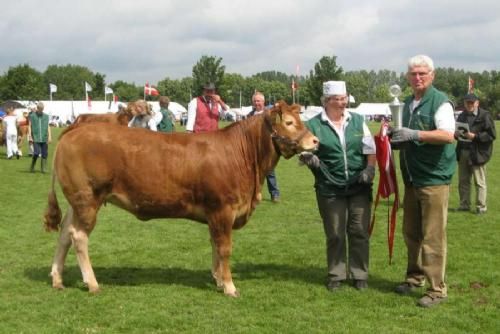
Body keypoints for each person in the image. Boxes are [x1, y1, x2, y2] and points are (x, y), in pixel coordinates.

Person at [390, 55, 456, 308]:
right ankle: (414, 277)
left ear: (432, 75)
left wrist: (415, 134)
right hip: (412, 178)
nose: (417, 78)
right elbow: (406, 135)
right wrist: (394, 138)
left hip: (433, 179)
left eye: (422, 73)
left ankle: (437, 289)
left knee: (433, 236)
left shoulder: (440, 103)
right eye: (413, 74)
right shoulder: (407, 103)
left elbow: (447, 135)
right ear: (407, 77)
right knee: (412, 233)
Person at [299, 81, 376, 291]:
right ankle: (336, 274)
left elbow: (370, 149)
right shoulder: (314, 124)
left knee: (359, 231)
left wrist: (370, 170)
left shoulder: (358, 120)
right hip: (329, 187)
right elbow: (305, 148)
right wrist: (309, 159)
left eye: (344, 99)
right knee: (335, 233)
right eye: (337, 100)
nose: (342, 103)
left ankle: (360, 274)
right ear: (326, 101)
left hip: (358, 185)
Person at [454, 93, 496, 214]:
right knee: (463, 181)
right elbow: (459, 132)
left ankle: (481, 207)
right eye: (467, 102)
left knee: (480, 182)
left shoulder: (485, 115)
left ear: (477, 103)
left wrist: (476, 136)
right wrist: (455, 135)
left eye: (472, 102)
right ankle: (464, 205)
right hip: (463, 151)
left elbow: (492, 135)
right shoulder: (462, 115)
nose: (469, 105)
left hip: (478, 153)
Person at [248, 91, 281, 202]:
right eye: (255, 101)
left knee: (269, 171)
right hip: (252, 148)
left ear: (263, 102)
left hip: (266, 148)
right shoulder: (249, 116)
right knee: (253, 172)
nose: (257, 103)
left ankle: (275, 194)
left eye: (259, 101)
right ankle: (255, 194)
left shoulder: (269, 113)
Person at [28, 102, 52, 173]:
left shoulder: (46, 116)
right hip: (36, 137)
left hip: (44, 137)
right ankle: (32, 166)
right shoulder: (32, 116)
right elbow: (29, 126)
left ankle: (43, 168)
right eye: (40, 109)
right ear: (37, 108)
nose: (41, 110)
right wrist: (30, 136)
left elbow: (48, 126)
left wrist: (50, 136)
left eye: (42, 109)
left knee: (44, 154)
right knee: (36, 153)